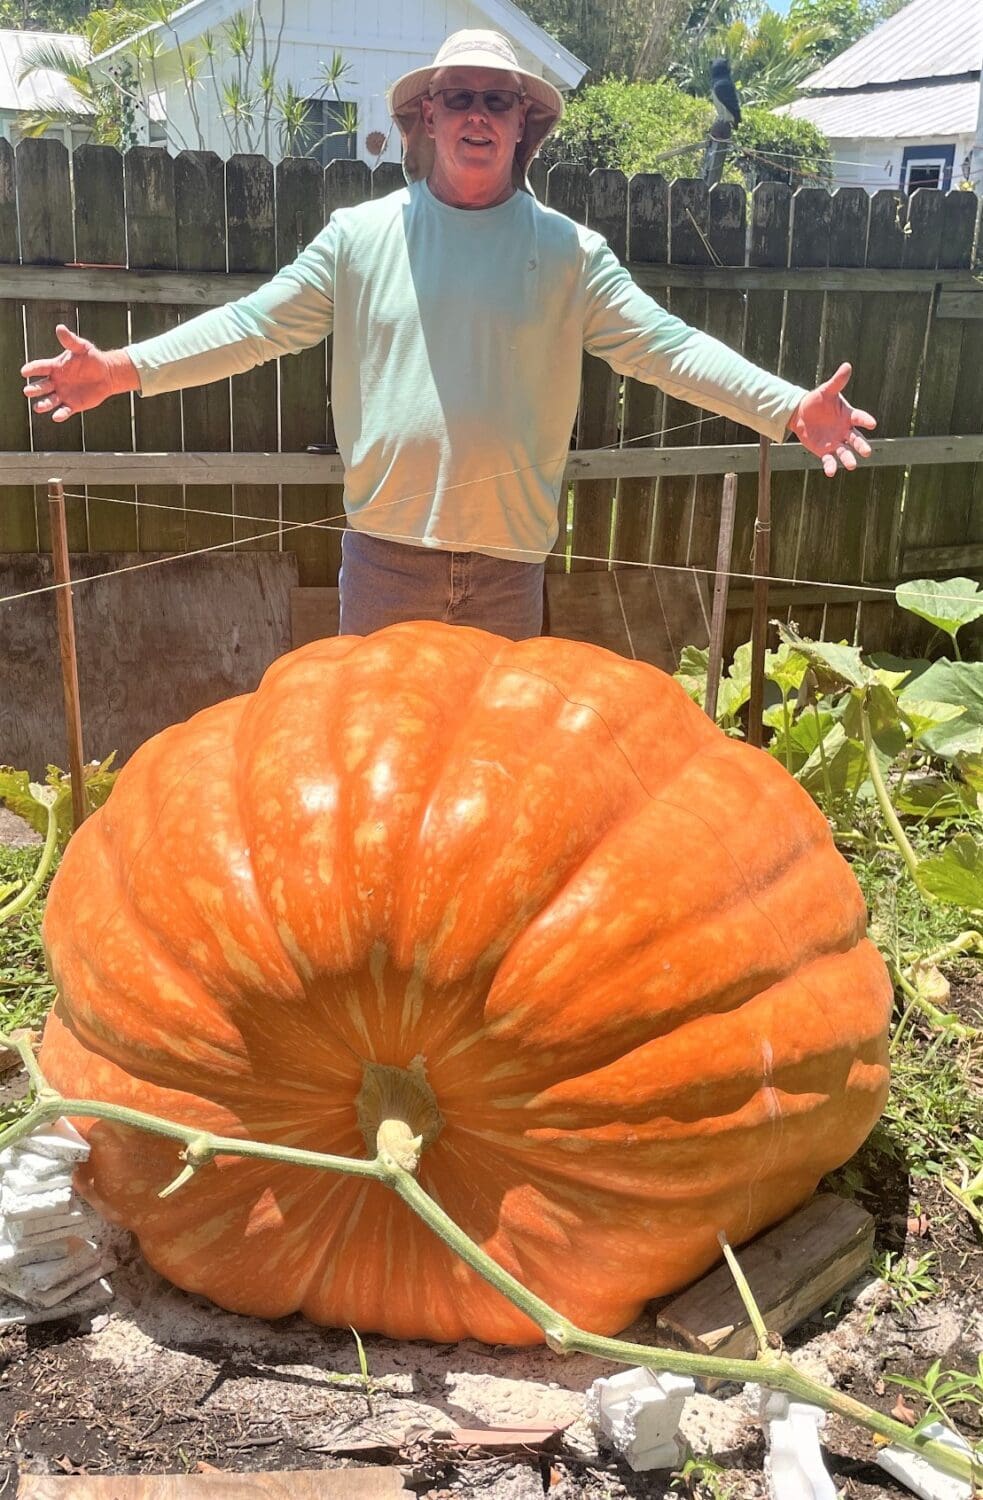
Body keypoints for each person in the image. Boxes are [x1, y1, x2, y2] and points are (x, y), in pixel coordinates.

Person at [21, 29, 875, 642]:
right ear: (427, 117)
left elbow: (668, 347)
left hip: (509, 568)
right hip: (385, 563)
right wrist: (124, 369)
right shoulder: (357, 238)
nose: (476, 114)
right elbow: (254, 327)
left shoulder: (571, 254)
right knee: (380, 774)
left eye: (495, 100)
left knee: (487, 783)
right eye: (457, 98)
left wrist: (789, 407)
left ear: (520, 124)